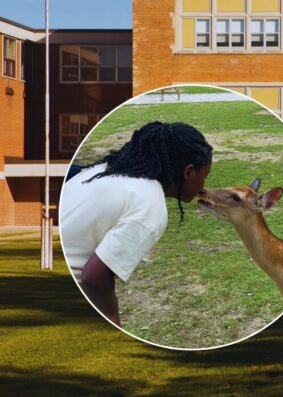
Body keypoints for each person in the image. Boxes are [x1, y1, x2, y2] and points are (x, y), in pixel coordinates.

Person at [60, 121, 213, 326]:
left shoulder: (101, 170)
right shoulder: (150, 203)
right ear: (188, 172)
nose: (204, 186)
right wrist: (112, 317)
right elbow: (94, 277)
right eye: (204, 177)